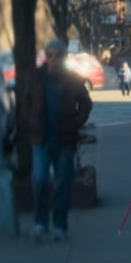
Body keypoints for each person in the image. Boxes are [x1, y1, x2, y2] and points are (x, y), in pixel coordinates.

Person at [26, 39, 93, 241]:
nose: (52, 59)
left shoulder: (73, 79)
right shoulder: (36, 77)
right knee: (39, 180)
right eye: (49, 55)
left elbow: (86, 104)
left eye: (56, 55)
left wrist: (75, 124)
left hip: (65, 139)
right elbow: (25, 102)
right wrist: (31, 121)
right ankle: (40, 223)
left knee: (62, 184)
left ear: (63, 57)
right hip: (41, 139)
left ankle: (59, 225)